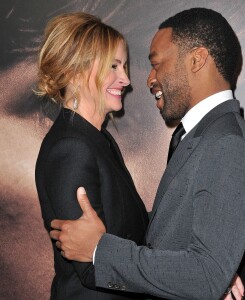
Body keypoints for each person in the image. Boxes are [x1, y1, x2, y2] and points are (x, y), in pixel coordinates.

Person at [50, 8, 245, 299]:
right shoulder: (199, 137)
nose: (147, 78)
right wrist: (218, 267)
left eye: (156, 63)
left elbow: (205, 275)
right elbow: (169, 234)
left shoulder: (228, 143)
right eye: (114, 67)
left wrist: (100, 250)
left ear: (196, 60)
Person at [35, 12, 149, 299]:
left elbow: (127, 232)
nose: (126, 79)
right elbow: (91, 269)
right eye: (114, 66)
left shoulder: (96, 139)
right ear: (75, 71)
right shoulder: (71, 148)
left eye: (124, 66)